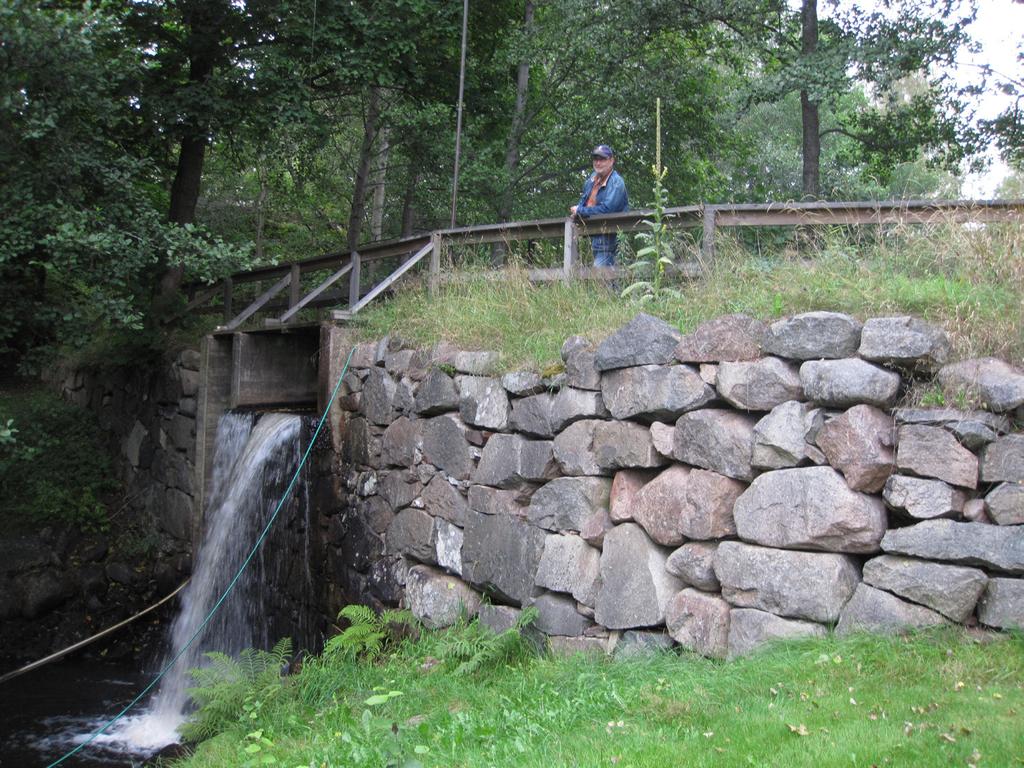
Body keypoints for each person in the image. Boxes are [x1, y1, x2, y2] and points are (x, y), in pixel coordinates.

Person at [570, 144, 629, 266]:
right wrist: (577, 212)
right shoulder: (591, 180)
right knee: (607, 280)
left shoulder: (617, 182)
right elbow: (584, 203)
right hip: (593, 237)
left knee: (599, 276)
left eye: (602, 159)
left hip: (611, 240)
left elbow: (607, 210)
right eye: (595, 159)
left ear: (611, 160)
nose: (598, 162)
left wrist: (580, 210)